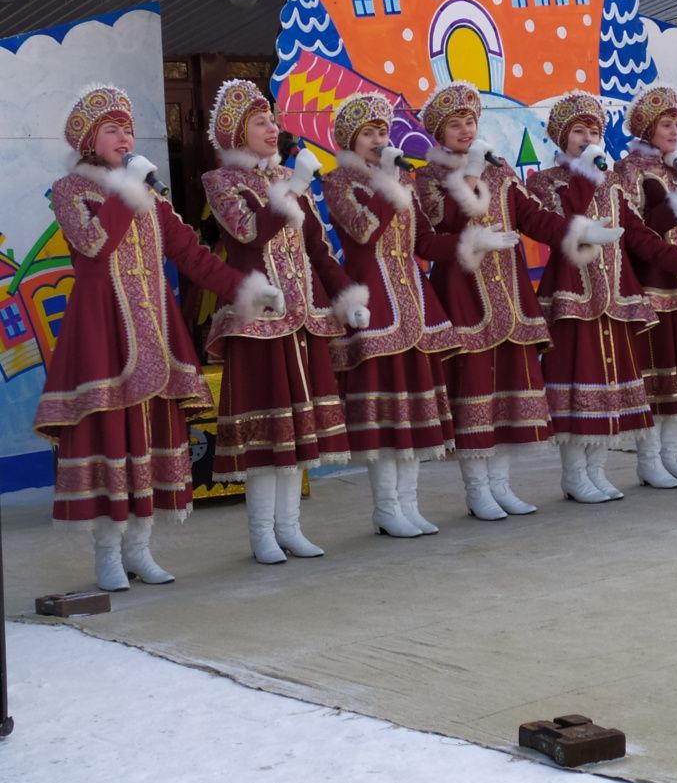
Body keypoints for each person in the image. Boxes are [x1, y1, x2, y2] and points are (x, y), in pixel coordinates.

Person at [34, 84, 283, 591]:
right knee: (111, 437)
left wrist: (248, 290)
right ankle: (107, 554)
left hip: (155, 334)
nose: (124, 136)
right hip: (104, 334)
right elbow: (94, 244)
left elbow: (192, 257)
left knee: (148, 437)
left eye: (128, 128)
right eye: (112, 130)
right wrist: (129, 188)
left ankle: (140, 550)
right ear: (89, 141)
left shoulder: (150, 195)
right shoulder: (69, 191)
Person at [415, 82, 620, 519]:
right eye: (456, 124)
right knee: (474, 390)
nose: (466, 130)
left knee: (506, 391)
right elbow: (440, 223)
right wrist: (469, 177)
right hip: (464, 294)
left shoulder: (501, 168)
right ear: (440, 132)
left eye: (470, 121)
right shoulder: (429, 176)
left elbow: (535, 218)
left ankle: (501, 485)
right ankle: (477, 490)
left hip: (508, 295)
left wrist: (579, 231)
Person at [202, 79, 370, 564]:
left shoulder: (285, 177)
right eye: (260, 122)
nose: (272, 129)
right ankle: (261, 534)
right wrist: (294, 186)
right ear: (236, 131)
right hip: (257, 322)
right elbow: (248, 233)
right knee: (265, 433)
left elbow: (317, 249)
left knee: (296, 435)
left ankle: (290, 528)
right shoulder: (222, 182)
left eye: (273, 120)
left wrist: (346, 297)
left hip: (303, 321)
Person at [527, 91, 677, 502]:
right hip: (573, 298)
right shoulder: (545, 182)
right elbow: (565, 222)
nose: (588, 138)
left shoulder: (612, 183)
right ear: (562, 138)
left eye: (594, 131)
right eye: (579, 132)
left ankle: (596, 470)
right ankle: (573, 473)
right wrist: (587, 172)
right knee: (575, 384)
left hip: (615, 295)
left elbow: (641, 239)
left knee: (608, 386)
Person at [322, 92, 501, 536]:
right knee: (388, 414)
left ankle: (409, 503)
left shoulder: (403, 181)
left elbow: (423, 243)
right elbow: (363, 232)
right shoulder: (338, 182)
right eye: (368, 134)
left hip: (413, 303)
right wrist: (386, 183)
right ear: (350, 140)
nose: (379, 140)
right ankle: (386, 507)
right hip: (375, 306)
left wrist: (469, 243)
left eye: (382, 131)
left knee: (416, 410)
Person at [613, 85, 677, 487]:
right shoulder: (628, 171)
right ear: (646, 128)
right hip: (653, 283)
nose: (673, 131)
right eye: (665, 125)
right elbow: (642, 230)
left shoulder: (675, 166)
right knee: (655, 376)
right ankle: (648, 460)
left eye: (676, 124)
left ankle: (672, 455)